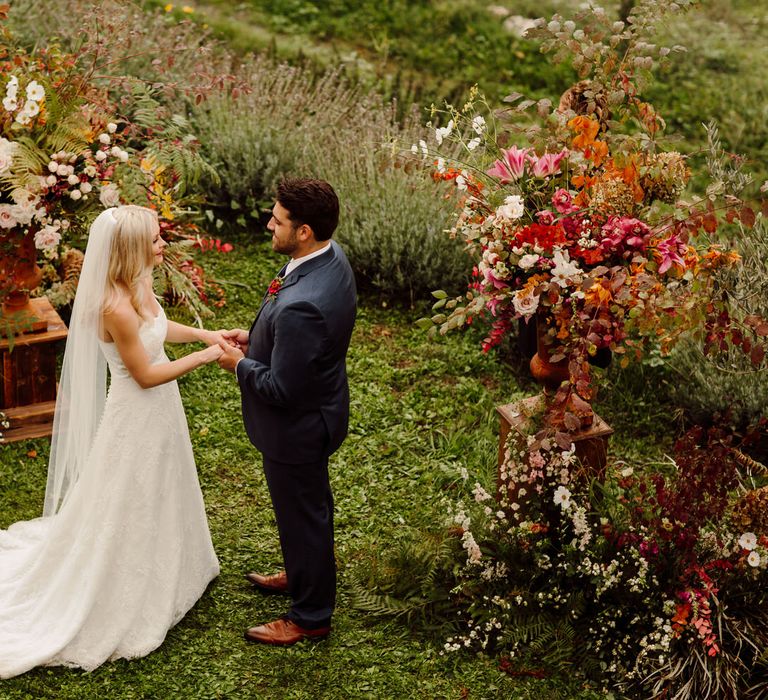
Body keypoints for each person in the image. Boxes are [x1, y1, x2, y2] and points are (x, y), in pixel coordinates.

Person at [0, 205, 223, 679]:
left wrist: (207, 333)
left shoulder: (139, 286)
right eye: (157, 240)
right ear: (132, 250)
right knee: (128, 496)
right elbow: (144, 374)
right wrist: (206, 357)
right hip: (137, 412)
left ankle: (175, 562)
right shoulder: (114, 307)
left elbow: (159, 333)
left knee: (161, 484)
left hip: (162, 413)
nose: (164, 245)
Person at [217, 178, 356, 646]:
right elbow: (297, 350)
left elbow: (281, 387)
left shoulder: (303, 306)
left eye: (278, 220)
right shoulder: (329, 258)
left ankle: (311, 615)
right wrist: (257, 341)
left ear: (304, 231)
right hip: (320, 404)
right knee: (305, 512)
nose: (268, 224)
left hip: (298, 428)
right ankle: (301, 573)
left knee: (304, 515)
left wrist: (240, 363)